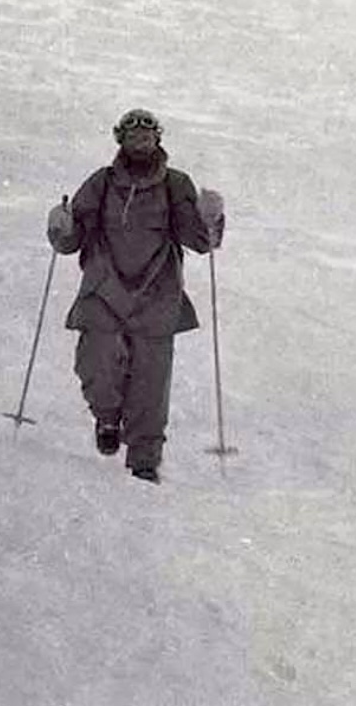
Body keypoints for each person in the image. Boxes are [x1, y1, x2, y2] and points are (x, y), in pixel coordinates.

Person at [47, 108, 225, 484]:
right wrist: (60, 227)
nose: (141, 142)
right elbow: (72, 237)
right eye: (133, 137)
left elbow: (198, 241)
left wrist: (211, 219)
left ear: (158, 139)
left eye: (147, 137)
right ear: (120, 141)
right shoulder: (102, 183)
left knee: (150, 381)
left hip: (156, 294)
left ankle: (144, 459)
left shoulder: (176, 184)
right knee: (96, 364)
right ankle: (108, 418)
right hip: (104, 289)